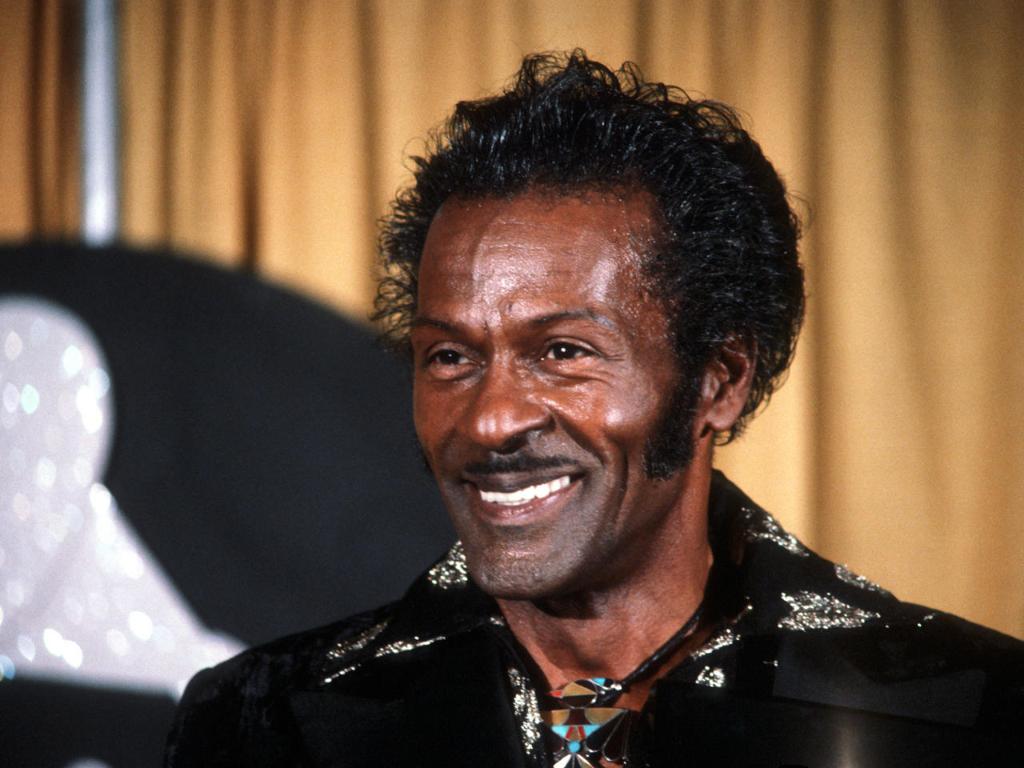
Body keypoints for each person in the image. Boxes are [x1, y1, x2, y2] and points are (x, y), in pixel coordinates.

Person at [165, 51, 1023, 767]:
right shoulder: (260, 725)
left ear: (719, 381)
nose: (490, 420)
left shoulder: (973, 712)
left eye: (563, 353)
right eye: (451, 356)